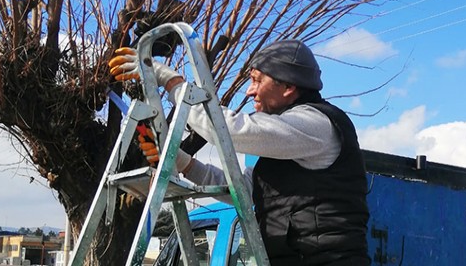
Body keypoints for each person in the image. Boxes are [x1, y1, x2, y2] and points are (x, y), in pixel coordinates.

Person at [109, 39, 370, 265]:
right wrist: (185, 163)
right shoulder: (285, 147)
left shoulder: (315, 124)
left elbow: (228, 131)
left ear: (288, 87)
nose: (249, 90)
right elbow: (241, 190)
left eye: (257, 81)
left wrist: (173, 83)